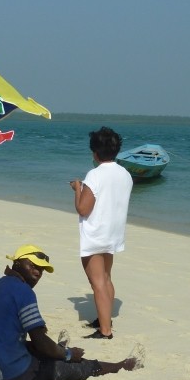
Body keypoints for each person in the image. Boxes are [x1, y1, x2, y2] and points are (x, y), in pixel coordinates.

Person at [0, 244, 141, 380]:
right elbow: (39, 340)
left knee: (35, 348)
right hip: (6, 375)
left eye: (41, 270)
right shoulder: (24, 292)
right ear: (17, 264)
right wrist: (69, 354)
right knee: (77, 367)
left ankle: (58, 349)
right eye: (32, 266)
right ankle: (122, 365)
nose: (38, 272)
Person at [70, 127, 134, 339]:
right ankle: (104, 318)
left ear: (95, 153)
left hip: (96, 234)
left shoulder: (94, 175)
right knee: (105, 278)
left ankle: (105, 330)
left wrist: (78, 188)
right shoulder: (125, 174)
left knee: (97, 281)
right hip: (113, 232)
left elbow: (83, 208)